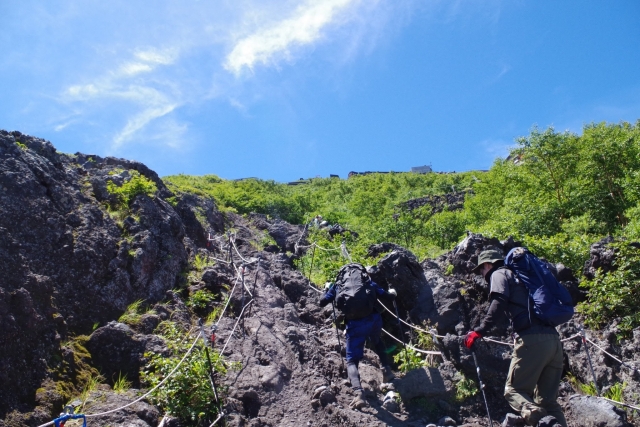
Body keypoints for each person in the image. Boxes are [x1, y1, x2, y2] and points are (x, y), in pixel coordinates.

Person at [465, 249, 567, 427]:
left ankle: (545, 422)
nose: (482, 274)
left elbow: (498, 302)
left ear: (487, 265)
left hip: (531, 340)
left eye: (481, 269)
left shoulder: (499, 274)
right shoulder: (525, 277)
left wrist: (479, 331)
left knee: (513, 390)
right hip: (554, 341)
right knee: (548, 402)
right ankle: (552, 420)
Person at [319, 274, 397, 410]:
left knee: (351, 360)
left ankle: (358, 393)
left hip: (355, 325)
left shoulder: (338, 285)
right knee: (377, 341)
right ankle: (387, 371)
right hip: (373, 320)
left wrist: (327, 288)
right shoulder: (368, 282)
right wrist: (392, 292)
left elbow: (322, 302)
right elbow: (388, 296)